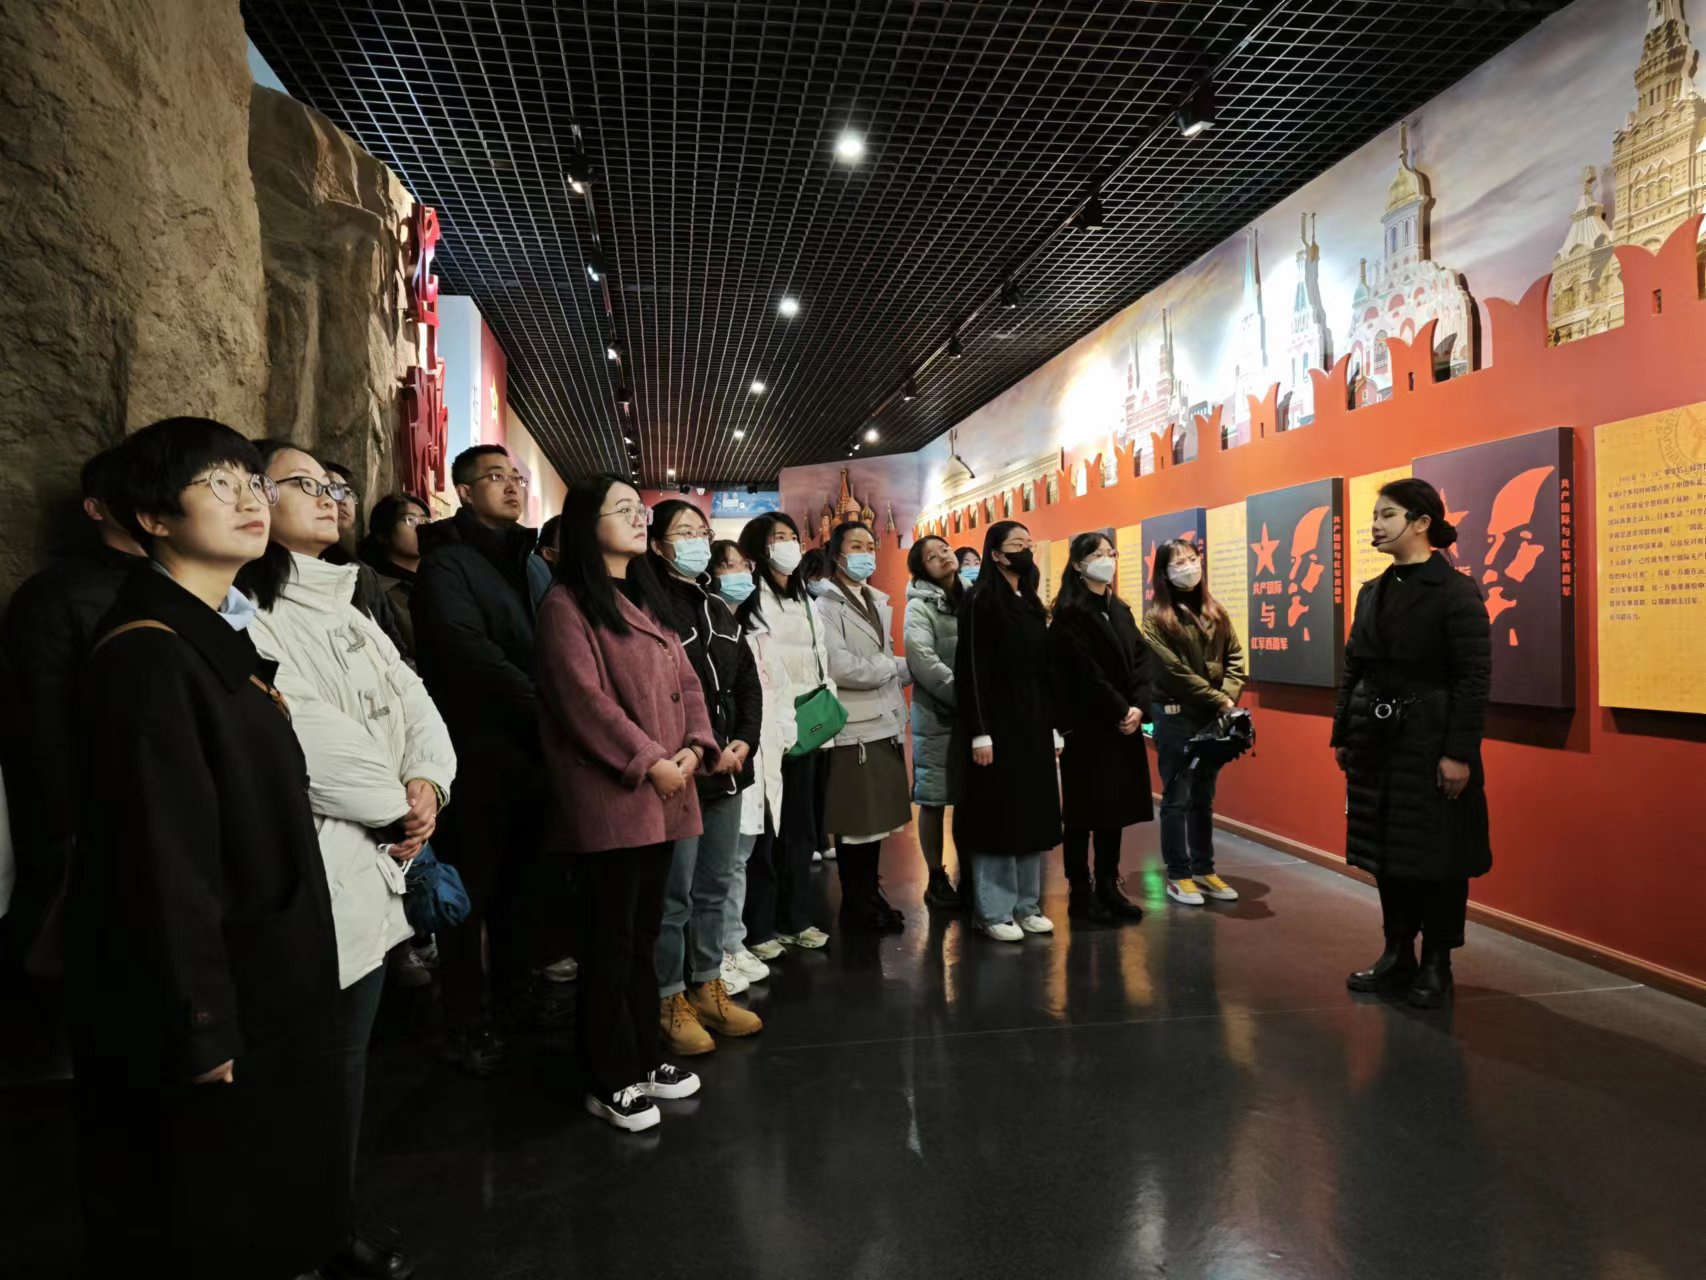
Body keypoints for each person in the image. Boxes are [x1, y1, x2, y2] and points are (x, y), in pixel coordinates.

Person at [67, 417, 347, 1276]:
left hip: (267, 961)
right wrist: (199, 1021)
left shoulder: (216, 632)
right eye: (217, 483)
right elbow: (162, 860)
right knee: (210, 1209)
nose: (249, 498)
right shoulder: (148, 655)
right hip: (225, 983)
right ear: (154, 517)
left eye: (252, 480)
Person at [239, 442, 456, 1280]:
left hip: (375, 866)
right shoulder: (247, 610)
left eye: (335, 485)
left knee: (342, 1073)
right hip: (315, 871)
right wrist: (401, 800)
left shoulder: (353, 606)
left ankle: (328, 1226)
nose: (330, 496)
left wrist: (428, 780)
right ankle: (298, 1242)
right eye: (305, 483)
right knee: (302, 1077)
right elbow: (308, 741)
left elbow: (418, 706)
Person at [535, 474, 721, 1133]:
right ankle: (607, 1075)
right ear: (588, 526)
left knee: (642, 934)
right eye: (623, 510)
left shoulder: (644, 596)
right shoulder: (565, 605)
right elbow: (584, 703)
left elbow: (688, 683)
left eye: (638, 509)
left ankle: (642, 1055)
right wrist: (651, 760)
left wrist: (695, 748)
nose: (640, 518)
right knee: (609, 941)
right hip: (614, 797)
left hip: (665, 792)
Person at [412, 443, 560, 1074]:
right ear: (465, 492)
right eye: (494, 477)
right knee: (469, 891)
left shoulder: (528, 561)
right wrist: (545, 704)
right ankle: (465, 1019)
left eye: (515, 476)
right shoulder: (447, 562)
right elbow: (466, 654)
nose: (511, 485)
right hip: (476, 749)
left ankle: (515, 993)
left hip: (535, 747)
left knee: (523, 883)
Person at [1334, 478, 1492, 1009]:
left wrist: (1458, 753)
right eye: (1375, 515)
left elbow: (1473, 679)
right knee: (1388, 852)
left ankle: (1437, 962)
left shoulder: (1455, 592)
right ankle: (1397, 952)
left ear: (1421, 522)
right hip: (1377, 744)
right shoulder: (1372, 591)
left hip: (1430, 742)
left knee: (1439, 857)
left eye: (1387, 515)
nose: (1375, 525)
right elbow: (1354, 666)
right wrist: (1343, 733)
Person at [0, 446, 144, 975]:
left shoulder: (199, 584)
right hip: (99, 831)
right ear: (95, 508)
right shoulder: (57, 595)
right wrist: (65, 847)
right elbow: (41, 736)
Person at [646, 501, 764, 1056]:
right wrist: (699, 748)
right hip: (682, 768)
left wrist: (744, 740)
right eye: (683, 532)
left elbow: (747, 682)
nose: (696, 540)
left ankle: (707, 983)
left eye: (702, 531)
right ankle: (668, 998)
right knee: (675, 895)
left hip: (727, 769)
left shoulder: (718, 605)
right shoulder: (646, 603)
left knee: (714, 887)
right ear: (657, 544)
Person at [951, 521, 1061, 942]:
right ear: (995, 554)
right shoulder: (980, 600)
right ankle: (994, 910)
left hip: (1032, 724)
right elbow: (971, 670)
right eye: (1017, 544)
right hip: (996, 725)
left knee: (1030, 814)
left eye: (1028, 543)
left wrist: (1053, 726)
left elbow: (1045, 670)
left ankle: (1026, 905)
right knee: (997, 817)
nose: (1026, 550)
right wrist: (980, 731)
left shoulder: (1029, 600)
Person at [734, 514, 834, 952]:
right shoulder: (750, 596)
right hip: (768, 728)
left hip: (807, 725)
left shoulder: (804, 597)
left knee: (801, 829)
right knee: (764, 831)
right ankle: (759, 927)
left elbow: (818, 656)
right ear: (759, 546)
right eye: (779, 537)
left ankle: (796, 918)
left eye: (793, 537)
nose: (790, 544)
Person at [1049, 532, 1153, 924]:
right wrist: (1121, 708)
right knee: (1083, 812)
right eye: (1097, 554)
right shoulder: (1069, 614)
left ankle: (1109, 883)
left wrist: (1139, 706)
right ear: (1078, 565)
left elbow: (1142, 659)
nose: (1107, 560)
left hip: (1123, 725)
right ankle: (1080, 887)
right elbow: (1084, 672)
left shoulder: (1119, 608)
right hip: (1088, 727)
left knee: (1115, 809)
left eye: (1111, 552)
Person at [817, 521, 914, 933]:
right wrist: (890, 667)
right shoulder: (825, 605)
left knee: (876, 822)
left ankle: (870, 894)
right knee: (855, 822)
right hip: (853, 725)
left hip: (883, 720)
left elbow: (879, 658)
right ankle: (855, 903)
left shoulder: (872, 599)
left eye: (870, 545)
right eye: (856, 545)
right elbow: (839, 666)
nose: (866, 553)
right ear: (836, 553)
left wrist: (902, 667)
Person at [1142, 539, 1246, 907]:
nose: (1188, 567)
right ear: (1164, 572)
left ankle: (1204, 868)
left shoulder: (1215, 611)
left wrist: (1227, 697)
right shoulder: (1156, 619)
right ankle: (1178, 874)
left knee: (1203, 796)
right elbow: (1172, 671)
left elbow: (1235, 657)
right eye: (1178, 563)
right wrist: (1220, 700)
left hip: (1211, 718)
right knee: (1176, 797)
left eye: (1192, 559)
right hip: (1175, 717)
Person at [711, 538, 785, 989]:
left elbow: (772, 693)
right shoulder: (708, 626)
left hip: (757, 754)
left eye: (743, 565)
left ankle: (733, 943)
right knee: (721, 864)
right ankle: (717, 952)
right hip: (723, 757)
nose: (739, 573)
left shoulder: (755, 628)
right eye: (727, 566)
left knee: (741, 857)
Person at [903, 535, 962, 909]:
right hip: (938, 714)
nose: (942, 556)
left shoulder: (972, 596)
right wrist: (961, 693)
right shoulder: (918, 607)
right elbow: (921, 658)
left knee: (972, 797)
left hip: (974, 714)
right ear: (921, 569)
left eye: (945, 549)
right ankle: (936, 876)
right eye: (931, 556)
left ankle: (971, 870)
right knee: (934, 798)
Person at [358, 491, 431, 657]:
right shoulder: (376, 590)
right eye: (411, 520)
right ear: (383, 533)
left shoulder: (441, 579)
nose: (422, 527)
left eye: (425, 520)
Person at [798, 547, 837, 864]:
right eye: (817, 576)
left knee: (823, 778)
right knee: (806, 779)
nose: (822, 581)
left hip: (825, 698)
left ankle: (822, 838)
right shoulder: (800, 603)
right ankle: (811, 839)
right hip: (804, 702)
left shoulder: (827, 603)